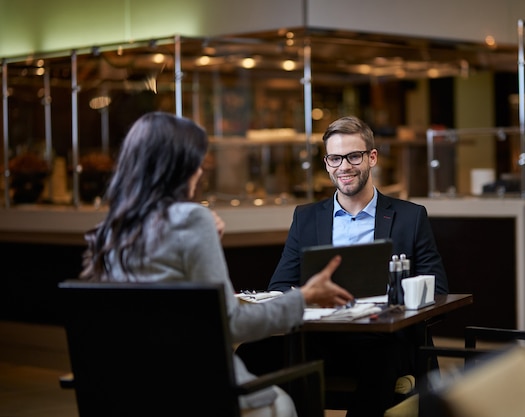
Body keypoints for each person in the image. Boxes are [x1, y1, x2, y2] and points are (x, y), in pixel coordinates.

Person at [79, 111, 353, 417]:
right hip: (199, 391)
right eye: (197, 161)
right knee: (284, 401)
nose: (200, 171)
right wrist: (305, 297)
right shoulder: (191, 219)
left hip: (131, 390)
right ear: (179, 167)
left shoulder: (110, 232)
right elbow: (232, 324)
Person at [267, 115, 448, 416]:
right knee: (251, 356)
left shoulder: (410, 217)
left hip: (383, 339)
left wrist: (391, 300)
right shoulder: (306, 217)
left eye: (353, 156)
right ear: (326, 164)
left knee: (378, 356)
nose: (344, 167)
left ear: (372, 157)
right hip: (323, 338)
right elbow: (278, 286)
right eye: (335, 158)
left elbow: (437, 288)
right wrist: (311, 295)